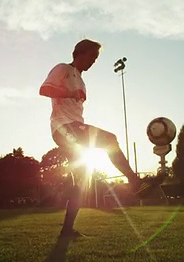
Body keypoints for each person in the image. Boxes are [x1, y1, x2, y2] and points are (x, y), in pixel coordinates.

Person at [39, 39, 147, 238]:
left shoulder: (81, 80)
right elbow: (44, 90)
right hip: (64, 127)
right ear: (80, 53)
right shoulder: (63, 68)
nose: (94, 62)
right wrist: (70, 92)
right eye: (92, 56)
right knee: (109, 140)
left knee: (80, 183)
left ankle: (67, 230)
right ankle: (134, 181)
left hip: (73, 129)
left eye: (96, 58)